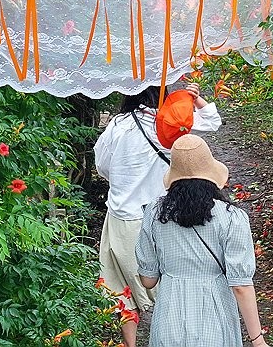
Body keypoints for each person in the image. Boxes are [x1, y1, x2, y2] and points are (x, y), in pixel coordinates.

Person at [93, 81, 221, 347]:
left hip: (120, 216)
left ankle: (130, 344)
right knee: (166, 287)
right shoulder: (168, 124)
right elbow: (213, 121)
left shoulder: (117, 125)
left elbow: (101, 165)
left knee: (120, 288)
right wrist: (194, 98)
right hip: (159, 217)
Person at [135, 135, 267, 347]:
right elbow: (241, 286)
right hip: (215, 318)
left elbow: (148, 280)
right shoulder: (232, 217)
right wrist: (257, 340)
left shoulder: (154, 212)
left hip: (169, 319)